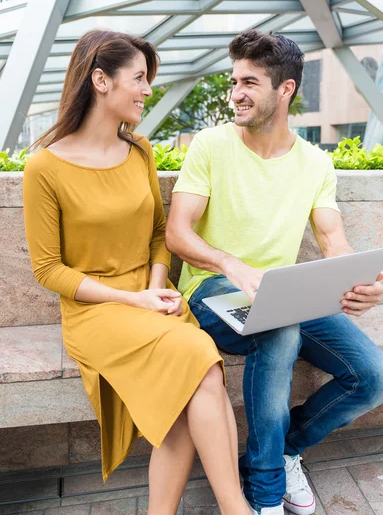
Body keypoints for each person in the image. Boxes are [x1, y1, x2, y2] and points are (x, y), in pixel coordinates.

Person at [166, 29, 383, 515]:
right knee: (278, 329)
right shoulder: (211, 146)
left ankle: (285, 449)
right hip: (211, 290)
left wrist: (360, 282)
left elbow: (333, 238)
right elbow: (177, 235)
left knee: (374, 376)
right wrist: (231, 263)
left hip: (280, 294)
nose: (236, 94)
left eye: (249, 82)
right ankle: (266, 493)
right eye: (234, 81)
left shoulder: (315, 163)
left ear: (285, 89)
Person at [23, 29, 252, 515]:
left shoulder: (141, 151)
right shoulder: (44, 167)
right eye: (141, 78)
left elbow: (156, 235)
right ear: (101, 80)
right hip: (97, 311)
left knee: (188, 392)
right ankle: (238, 510)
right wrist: (134, 302)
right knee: (199, 359)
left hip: (154, 296)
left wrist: (153, 288)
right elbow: (48, 270)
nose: (149, 90)